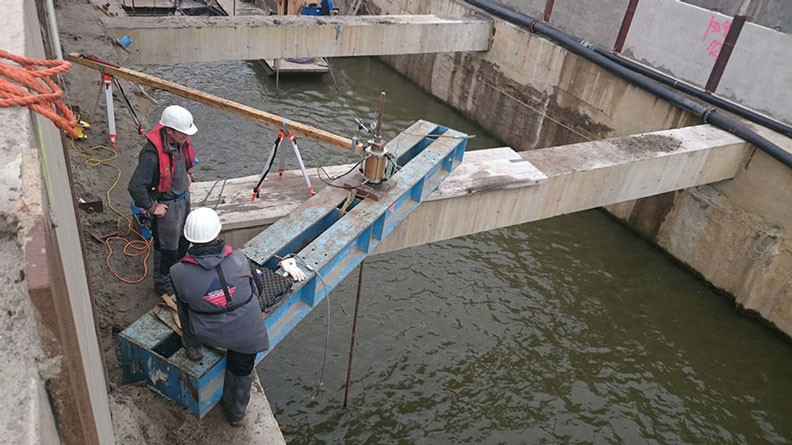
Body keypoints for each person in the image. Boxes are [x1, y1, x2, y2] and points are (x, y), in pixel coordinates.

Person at [170, 208, 305, 426]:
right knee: (242, 369)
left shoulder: (178, 272)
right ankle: (236, 414)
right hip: (246, 333)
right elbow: (258, 289)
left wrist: (192, 339)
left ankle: (193, 349)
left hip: (205, 332)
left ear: (189, 239)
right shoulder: (240, 259)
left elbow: (183, 310)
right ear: (217, 234)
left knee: (187, 313)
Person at [128, 105, 198, 295]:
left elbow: (181, 163)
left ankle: (180, 271)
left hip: (183, 199)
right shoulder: (151, 156)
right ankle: (164, 284)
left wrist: (186, 175)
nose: (186, 137)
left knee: (184, 239)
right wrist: (152, 207)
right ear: (169, 130)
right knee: (167, 247)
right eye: (183, 133)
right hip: (168, 206)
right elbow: (135, 186)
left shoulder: (179, 142)